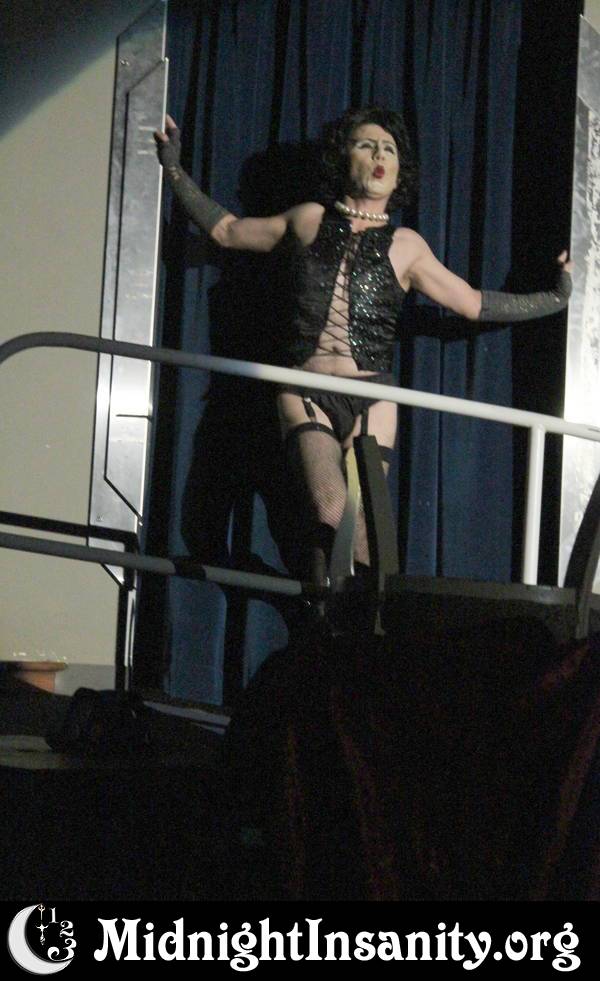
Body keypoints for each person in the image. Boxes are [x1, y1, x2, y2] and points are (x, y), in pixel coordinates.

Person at [154, 106, 572, 590]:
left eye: (388, 150)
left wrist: (556, 297)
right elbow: (227, 231)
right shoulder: (307, 219)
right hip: (304, 390)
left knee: (364, 529)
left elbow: (473, 304)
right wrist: (173, 167)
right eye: (366, 145)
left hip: (373, 396)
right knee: (331, 507)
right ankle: (323, 609)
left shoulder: (407, 246)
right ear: (344, 158)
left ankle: (351, 622)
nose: (378, 156)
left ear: (399, 171)